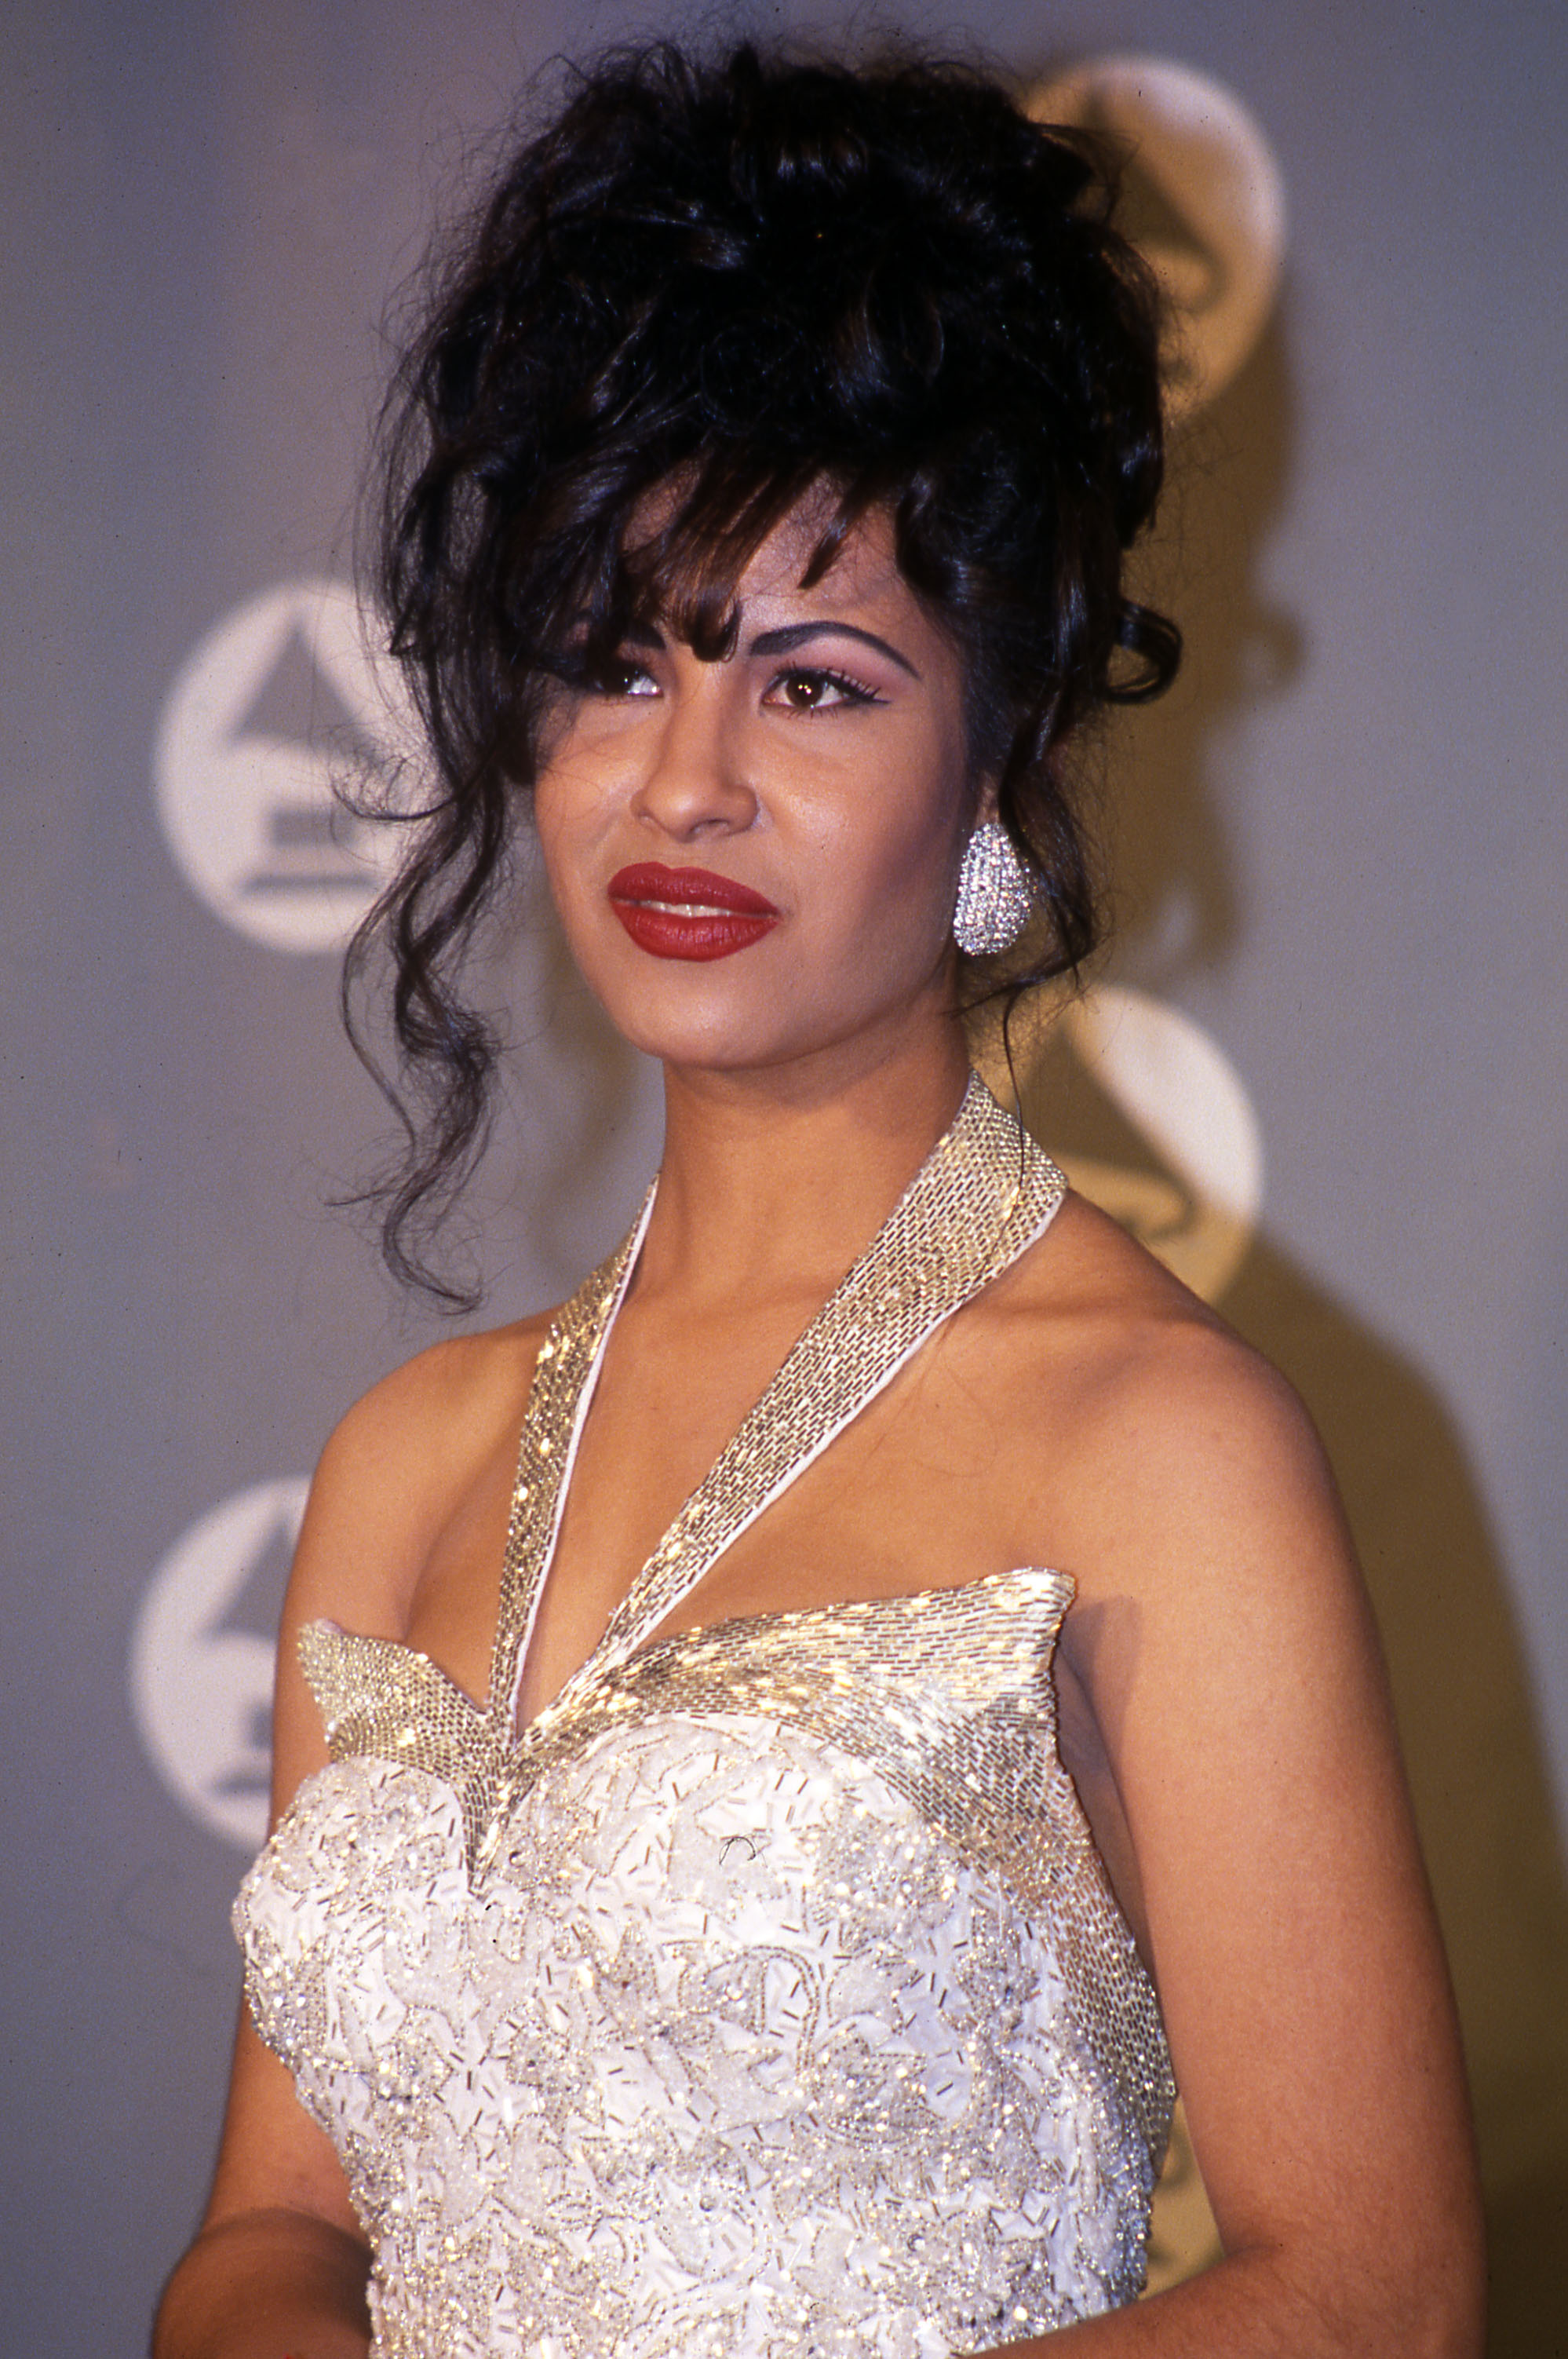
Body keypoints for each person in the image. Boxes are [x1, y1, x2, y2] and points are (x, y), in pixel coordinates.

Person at [154, 38, 1483, 2359]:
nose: (686, 782)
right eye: (610, 661)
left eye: (817, 681)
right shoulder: (407, 1467)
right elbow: (272, 2232)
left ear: (1004, 758)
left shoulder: (1161, 1442)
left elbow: (1371, 2294)